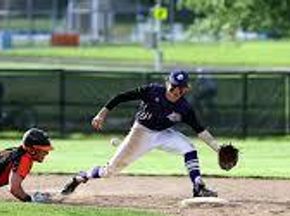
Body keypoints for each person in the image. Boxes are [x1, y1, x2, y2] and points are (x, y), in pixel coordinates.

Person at [62, 70, 224, 198]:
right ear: (168, 83)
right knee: (109, 171)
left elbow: (200, 130)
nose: (176, 91)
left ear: (186, 89)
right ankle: (80, 177)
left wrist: (218, 149)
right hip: (140, 133)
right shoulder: (152, 91)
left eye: (180, 88)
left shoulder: (184, 108)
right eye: (174, 86)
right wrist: (102, 113)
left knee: (189, 148)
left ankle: (198, 186)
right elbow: (121, 97)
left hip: (162, 134)